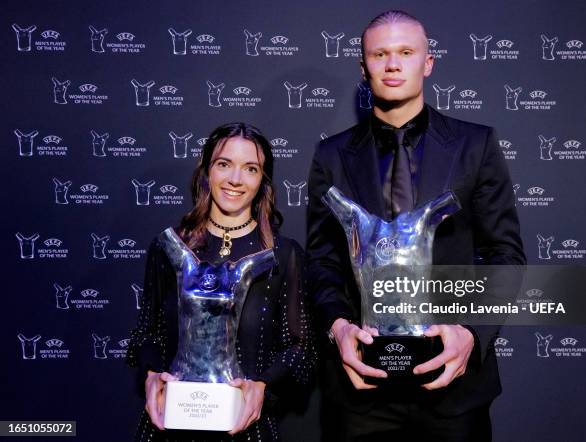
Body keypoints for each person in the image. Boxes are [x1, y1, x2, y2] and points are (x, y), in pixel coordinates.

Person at [306, 10, 525, 442]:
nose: (392, 64)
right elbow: (322, 261)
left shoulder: (475, 145)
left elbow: (505, 255)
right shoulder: (331, 156)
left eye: (406, 52)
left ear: (428, 62)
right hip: (360, 388)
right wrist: (338, 327)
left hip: (453, 389)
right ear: (363, 65)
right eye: (380, 53)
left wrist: (470, 333)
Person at [128, 122, 315, 442]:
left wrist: (262, 386)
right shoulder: (169, 247)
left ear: (263, 182)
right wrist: (151, 376)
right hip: (170, 427)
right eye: (224, 164)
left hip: (247, 430)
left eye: (251, 168)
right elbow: (148, 331)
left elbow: (301, 347)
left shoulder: (283, 255)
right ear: (206, 171)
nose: (235, 180)